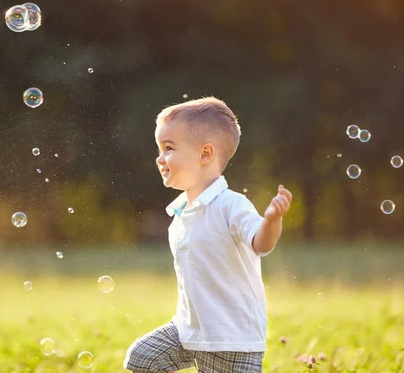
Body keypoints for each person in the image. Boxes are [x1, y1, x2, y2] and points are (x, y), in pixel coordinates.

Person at [124, 96, 293, 372]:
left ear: (205, 154)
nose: (159, 158)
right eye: (159, 148)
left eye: (168, 148)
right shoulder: (179, 212)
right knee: (143, 358)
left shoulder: (231, 204)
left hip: (231, 337)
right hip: (189, 330)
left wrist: (272, 220)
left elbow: (261, 244)